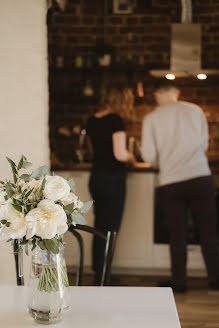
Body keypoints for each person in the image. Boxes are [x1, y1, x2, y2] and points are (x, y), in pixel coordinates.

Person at [141, 79, 219, 293]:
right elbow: (204, 143)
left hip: (171, 182)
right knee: (208, 230)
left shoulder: (152, 118)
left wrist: (162, 162)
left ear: (157, 94)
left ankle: (179, 282)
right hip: (200, 176)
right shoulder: (195, 110)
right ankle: (216, 279)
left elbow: (148, 155)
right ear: (176, 92)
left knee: (177, 233)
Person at [86, 88, 135, 285]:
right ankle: (104, 276)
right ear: (122, 102)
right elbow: (120, 154)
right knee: (111, 228)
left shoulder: (92, 120)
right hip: (113, 178)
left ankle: (100, 272)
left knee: (99, 226)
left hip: (96, 177)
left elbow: (93, 150)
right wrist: (131, 157)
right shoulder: (115, 120)